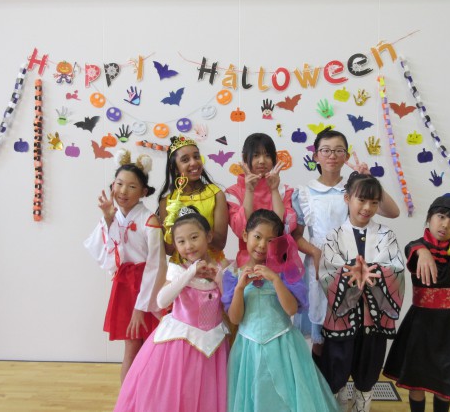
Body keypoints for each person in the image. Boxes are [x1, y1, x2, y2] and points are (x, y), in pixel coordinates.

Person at [291, 127, 400, 363]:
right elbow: (296, 236)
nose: (332, 155)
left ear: (346, 156)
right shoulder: (304, 193)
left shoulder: (356, 189)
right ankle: (323, 384)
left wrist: (370, 180)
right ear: (316, 155)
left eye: (338, 150)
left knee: (355, 327)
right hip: (320, 267)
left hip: (356, 265)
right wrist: (315, 252)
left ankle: (349, 380)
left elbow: (393, 212)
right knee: (322, 335)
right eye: (326, 150)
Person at [223, 209, 340, 412]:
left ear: (277, 243)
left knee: (288, 397)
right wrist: (240, 288)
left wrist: (276, 280)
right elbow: (235, 318)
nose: (262, 245)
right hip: (249, 349)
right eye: (257, 237)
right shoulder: (233, 274)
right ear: (245, 236)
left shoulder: (286, 272)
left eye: (270, 241)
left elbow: (291, 309)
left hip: (283, 347)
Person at [114, 212, 229, 412]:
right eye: (181, 241)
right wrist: (190, 273)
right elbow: (162, 300)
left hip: (213, 344)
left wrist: (219, 279)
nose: (189, 246)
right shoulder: (177, 270)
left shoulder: (222, 268)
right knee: (179, 392)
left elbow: (229, 304)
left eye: (194, 237)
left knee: (207, 394)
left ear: (208, 236)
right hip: (179, 346)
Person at [383, 193, 450, 412]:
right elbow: (412, 248)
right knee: (416, 379)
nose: (446, 225)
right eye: (441, 217)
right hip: (421, 325)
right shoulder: (416, 247)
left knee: (446, 381)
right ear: (429, 217)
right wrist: (422, 252)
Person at [318, 172, 405, 412]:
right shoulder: (333, 236)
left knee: (368, 372)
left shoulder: (386, 235)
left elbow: (396, 270)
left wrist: (373, 273)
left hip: (373, 321)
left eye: (374, 202)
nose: (367, 208)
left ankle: (361, 408)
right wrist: (351, 274)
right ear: (347, 198)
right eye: (362, 200)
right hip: (341, 319)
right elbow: (327, 273)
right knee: (335, 371)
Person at [83, 149, 166, 383]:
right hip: (125, 287)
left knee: (152, 346)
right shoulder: (113, 215)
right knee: (131, 345)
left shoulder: (149, 220)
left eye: (131, 186)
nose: (123, 191)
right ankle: (127, 399)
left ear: (144, 192)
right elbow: (103, 251)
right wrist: (107, 217)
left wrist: (141, 307)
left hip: (147, 288)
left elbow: (156, 265)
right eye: (119, 184)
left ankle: (147, 395)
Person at [226, 132, 297, 265]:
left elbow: (284, 229)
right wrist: (249, 191)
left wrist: (274, 190)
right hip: (248, 265)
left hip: (280, 263)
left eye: (267, 155)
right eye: (256, 155)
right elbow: (240, 230)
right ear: (245, 158)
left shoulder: (284, 191)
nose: (262, 161)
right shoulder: (233, 193)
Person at [157, 135, 228, 264]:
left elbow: (220, 243)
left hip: (211, 266)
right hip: (181, 269)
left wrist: (194, 225)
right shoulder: (167, 202)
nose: (194, 162)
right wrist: (171, 227)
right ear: (175, 168)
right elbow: (169, 249)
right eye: (185, 160)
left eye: (196, 157)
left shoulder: (216, 195)